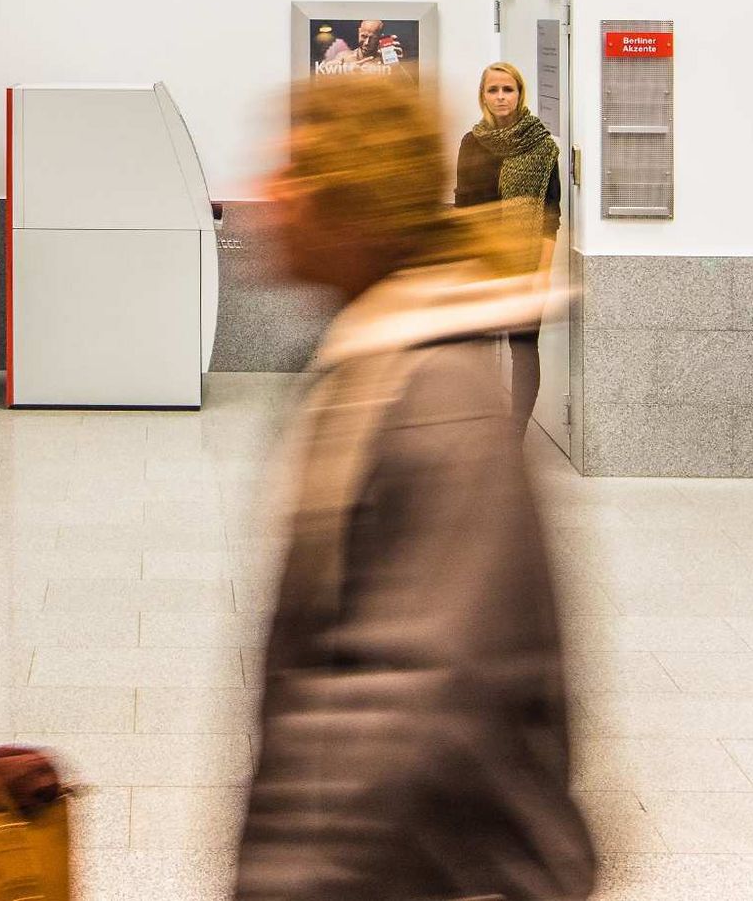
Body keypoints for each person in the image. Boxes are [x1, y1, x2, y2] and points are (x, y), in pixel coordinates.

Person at [236, 77, 594, 901]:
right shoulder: (370, 361)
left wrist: (293, 879)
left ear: (351, 203)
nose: (267, 194)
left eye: (292, 171)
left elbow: (424, 695)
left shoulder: (433, 401)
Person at [453, 61, 561, 430]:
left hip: (525, 262)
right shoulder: (472, 142)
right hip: (481, 262)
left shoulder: (542, 146)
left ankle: (515, 432)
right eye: (493, 90)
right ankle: (478, 426)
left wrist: (542, 276)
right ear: (482, 96)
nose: (501, 97)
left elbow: (550, 215)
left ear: (519, 94)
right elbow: (463, 206)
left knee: (523, 348)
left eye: (507, 89)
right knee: (474, 346)